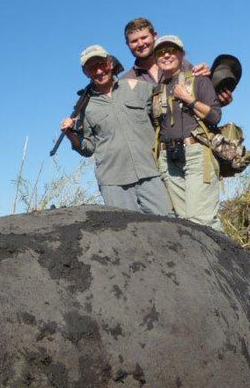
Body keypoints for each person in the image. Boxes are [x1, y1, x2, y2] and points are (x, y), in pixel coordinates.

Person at [60, 45, 172, 215]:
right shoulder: (85, 106)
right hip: (113, 182)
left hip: (150, 171)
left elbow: (169, 94)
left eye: (101, 64)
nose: (98, 71)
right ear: (85, 73)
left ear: (110, 63)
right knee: (128, 233)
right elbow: (88, 148)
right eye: (91, 68)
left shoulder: (136, 87)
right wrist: (70, 134)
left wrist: (197, 75)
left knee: (168, 225)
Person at [152, 35, 223, 230]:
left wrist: (188, 99)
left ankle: (228, 259)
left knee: (202, 220)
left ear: (182, 54)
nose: (166, 55)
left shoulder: (198, 80)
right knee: (184, 223)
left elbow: (215, 116)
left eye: (172, 51)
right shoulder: (157, 89)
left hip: (196, 154)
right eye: (160, 52)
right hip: (169, 159)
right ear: (155, 58)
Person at [122, 17, 235, 107]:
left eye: (144, 37)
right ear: (127, 44)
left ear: (154, 36)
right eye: (134, 41)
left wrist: (219, 99)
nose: (140, 44)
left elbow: (204, 101)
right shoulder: (125, 82)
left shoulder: (183, 65)